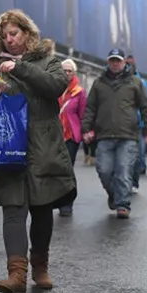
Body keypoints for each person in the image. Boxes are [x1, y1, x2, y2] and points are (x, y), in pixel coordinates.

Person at [0, 10, 76, 293]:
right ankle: (16, 275)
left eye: (14, 33)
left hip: (42, 148)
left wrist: (19, 69)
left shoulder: (49, 61)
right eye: (4, 36)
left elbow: (55, 86)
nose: (9, 40)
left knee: (42, 210)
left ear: (27, 33)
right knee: (13, 210)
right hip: (8, 148)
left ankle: (40, 266)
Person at [82, 49, 147, 219]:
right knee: (104, 170)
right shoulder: (99, 83)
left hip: (127, 136)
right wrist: (86, 129)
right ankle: (114, 195)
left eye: (118, 61)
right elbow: (90, 108)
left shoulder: (135, 83)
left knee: (123, 170)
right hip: (104, 136)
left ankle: (122, 204)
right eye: (112, 60)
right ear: (108, 62)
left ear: (124, 63)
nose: (115, 64)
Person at [57, 59, 87, 217]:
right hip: (53, 136)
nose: (66, 73)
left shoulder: (79, 92)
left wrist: (87, 132)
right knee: (54, 169)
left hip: (70, 137)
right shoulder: (53, 88)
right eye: (64, 70)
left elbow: (83, 115)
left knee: (67, 170)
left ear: (74, 73)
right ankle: (55, 199)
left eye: (69, 71)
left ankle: (67, 203)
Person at [125, 54, 147, 195]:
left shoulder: (142, 83)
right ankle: (124, 183)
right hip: (121, 124)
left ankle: (134, 180)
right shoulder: (117, 82)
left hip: (137, 125)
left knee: (137, 155)